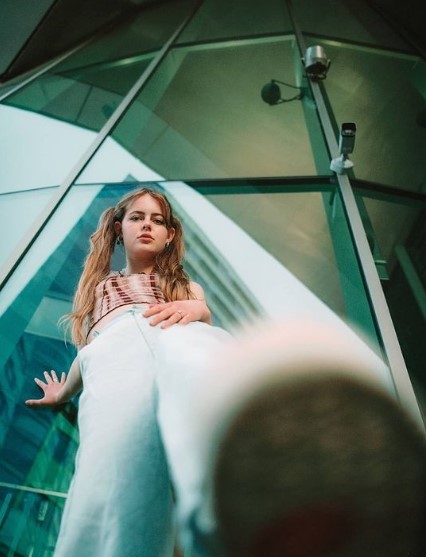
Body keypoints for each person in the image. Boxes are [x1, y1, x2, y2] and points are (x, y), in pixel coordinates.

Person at [26, 187, 426, 557]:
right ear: (118, 229)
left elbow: (200, 312)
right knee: (113, 466)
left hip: (169, 333)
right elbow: (95, 347)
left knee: (199, 372)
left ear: (169, 235)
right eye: (136, 217)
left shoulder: (180, 283)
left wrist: (193, 310)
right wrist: (65, 392)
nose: (147, 224)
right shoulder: (100, 289)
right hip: (116, 356)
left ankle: (269, 457)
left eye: (158, 219)